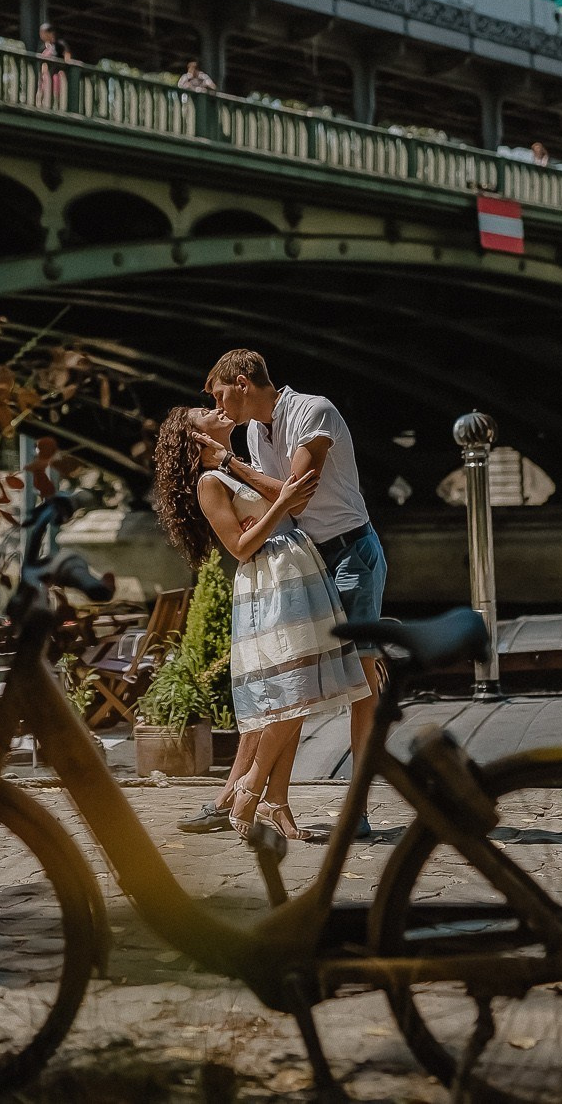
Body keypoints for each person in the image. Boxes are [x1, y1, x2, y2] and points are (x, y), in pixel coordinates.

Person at [187, 350, 386, 841]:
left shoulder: (313, 412)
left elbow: (296, 493)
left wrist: (228, 464)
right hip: (304, 564)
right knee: (297, 678)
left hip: (349, 555)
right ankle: (262, 796)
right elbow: (278, 501)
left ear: (240, 382)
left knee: (362, 684)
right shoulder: (256, 432)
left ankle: (355, 806)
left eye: (217, 393)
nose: (217, 403)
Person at [37, 22, 72, 108]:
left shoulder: (60, 45)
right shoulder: (43, 47)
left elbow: (67, 57)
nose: (41, 35)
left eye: (43, 33)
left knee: (57, 96)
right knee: (44, 95)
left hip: (58, 75)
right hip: (46, 76)